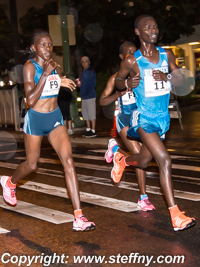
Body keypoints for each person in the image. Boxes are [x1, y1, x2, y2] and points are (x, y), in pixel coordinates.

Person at [0, 30, 95, 232]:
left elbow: (52, 85)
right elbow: (30, 100)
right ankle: (10, 182)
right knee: (31, 165)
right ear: (34, 48)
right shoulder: (29, 67)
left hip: (55, 119)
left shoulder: (53, 66)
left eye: (50, 45)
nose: (47, 48)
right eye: (43, 45)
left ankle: (79, 216)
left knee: (68, 161)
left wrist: (60, 80)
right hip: (35, 120)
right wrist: (46, 74)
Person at [113, 15, 195, 231]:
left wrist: (167, 76)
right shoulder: (132, 61)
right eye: (147, 27)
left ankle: (122, 160)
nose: (153, 29)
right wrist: (128, 82)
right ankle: (175, 215)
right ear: (138, 31)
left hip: (162, 119)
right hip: (144, 118)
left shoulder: (166, 54)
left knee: (142, 161)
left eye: (155, 26)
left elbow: (180, 82)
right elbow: (118, 81)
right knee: (164, 160)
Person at [100, 41, 155, 211]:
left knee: (145, 158)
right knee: (139, 156)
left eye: (134, 52)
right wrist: (120, 92)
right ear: (121, 57)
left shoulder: (142, 75)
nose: (132, 55)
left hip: (142, 119)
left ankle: (116, 152)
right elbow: (102, 101)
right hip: (124, 119)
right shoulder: (116, 78)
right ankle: (143, 197)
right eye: (128, 53)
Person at [77, 56, 96, 138]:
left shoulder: (91, 72)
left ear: (89, 62)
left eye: (86, 61)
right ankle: (88, 129)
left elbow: (92, 84)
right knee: (85, 113)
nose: (84, 63)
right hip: (84, 96)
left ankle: (93, 130)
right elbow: (83, 84)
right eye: (82, 61)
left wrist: (84, 89)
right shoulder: (83, 72)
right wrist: (79, 85)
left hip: (90, 95)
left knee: (91, 114)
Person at [57, 64, 74, 135]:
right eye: (56, 69)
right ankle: (64, 128)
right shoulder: (55, 79)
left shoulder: (64, 78)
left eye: (58, 69)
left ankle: (69, 128)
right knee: (62, 114)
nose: (57, 70)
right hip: (59, 98)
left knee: (67, 113)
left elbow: (68, 89)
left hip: (65, 98)